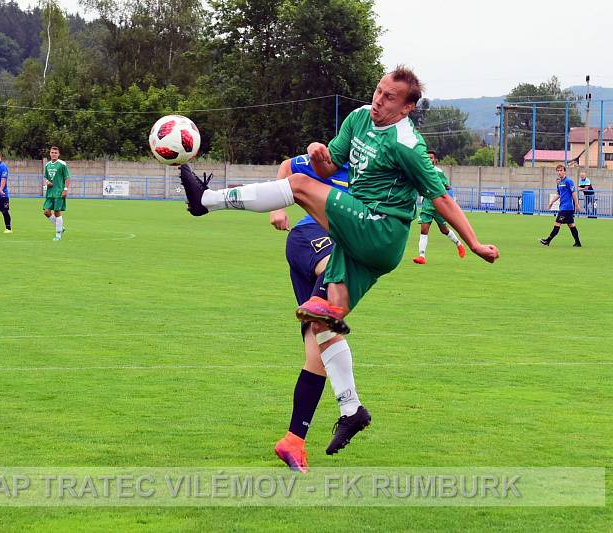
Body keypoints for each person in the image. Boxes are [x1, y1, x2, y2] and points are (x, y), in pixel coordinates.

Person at [179, 65, 499, 455]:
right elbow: (329, 167)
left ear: (408, 108)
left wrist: (475, 242)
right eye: (378, 91)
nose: (379, 101)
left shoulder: (407, 144)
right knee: (322, 328)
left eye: (389, 98)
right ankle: (331, 421)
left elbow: (441, 198)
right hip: (357, 238)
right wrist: (318, 156)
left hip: (380, 231)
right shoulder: (359, 119)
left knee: (297, 187)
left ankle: (205, 201)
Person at [270, 155, 359, 473]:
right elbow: (287, 166)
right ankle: (352, 406)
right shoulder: (334, 160)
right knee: (333, 268)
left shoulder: (375, 175)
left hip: (337, 246)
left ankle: (293, 440)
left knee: (319, 349)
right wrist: (278, 206)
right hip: (308, 238)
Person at [412, 150, 466, 264]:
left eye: (431, 158)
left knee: (444, 230)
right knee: (424, 229)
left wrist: (448, 198)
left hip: (439, 206)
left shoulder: (438, 172)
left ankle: (458, 244)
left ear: (435, 160)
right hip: (427, 205)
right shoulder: (422, 171)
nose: (429, 160)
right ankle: (422, 256)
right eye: (427, 158)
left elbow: (447, 186)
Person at [540, 164, 581, 247]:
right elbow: (558, 194)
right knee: (571, 225)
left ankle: (548, 240)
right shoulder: (559, 183)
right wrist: (551, 202)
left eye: (561, 170)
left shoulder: (568, 181)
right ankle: (578, 242)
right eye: (558, 171)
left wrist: (576, 204)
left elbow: (573, 193)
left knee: (557, 223)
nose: (559, 172)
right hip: (564, 207)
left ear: (564, 171)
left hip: (566, 208)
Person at [43, 146, 70, 241]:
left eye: (55, 152)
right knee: (46, 212)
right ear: (50, 153)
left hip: (59, 192)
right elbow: (45, 177)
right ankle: (60, 227)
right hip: (50, 192)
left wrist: (65, 189)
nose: (54, 154)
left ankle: (58, 235)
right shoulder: (47, 165)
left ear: (58, 154)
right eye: (52, 152)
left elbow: (67, 177)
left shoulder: (62, 164)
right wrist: (47, 182)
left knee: (57, 212)